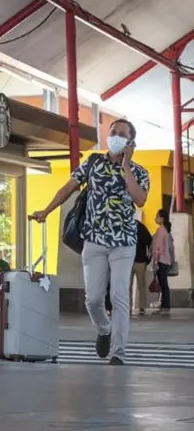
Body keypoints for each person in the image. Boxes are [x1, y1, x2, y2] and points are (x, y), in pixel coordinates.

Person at [32, 119, 149, 365]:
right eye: (113, 132)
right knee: (93, 299)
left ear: (131, 141)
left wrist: (126, 165)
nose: (115, 137)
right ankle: (103, 329)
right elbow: (68, 187)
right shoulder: (93, 163)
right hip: (94, 240)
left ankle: (118, 352)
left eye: (122, 134)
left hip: (124, 242)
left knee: (119, 296)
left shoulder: (139, 172)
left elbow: (140, 200)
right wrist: (47, 210)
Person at [151, 209, 172, 317]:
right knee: (164, 285)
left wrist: (155, 261)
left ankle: (165, 306)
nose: (156, 219)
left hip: (161, 260)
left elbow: (158, 248)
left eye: (157, 216)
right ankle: (164, 306)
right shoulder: (165, 230)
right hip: (165, 260)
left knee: (163, 285)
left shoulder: (161, 230)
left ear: (162, 218)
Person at [131, 217, 152, 316]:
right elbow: (150, 242)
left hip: (136, 262)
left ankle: (137, 307)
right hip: (134, 262)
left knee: (137, 286)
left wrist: (148, 258)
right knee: (135, 286)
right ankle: (135, 307)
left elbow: (150, 242)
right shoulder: (140, 227)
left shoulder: (141, 228)